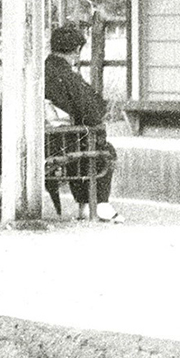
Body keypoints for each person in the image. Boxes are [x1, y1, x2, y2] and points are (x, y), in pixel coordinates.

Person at [46, 24, 121, 222]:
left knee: (79, 139)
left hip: (44, 134)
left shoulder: (43, 70)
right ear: (77, 50)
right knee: (102, 149)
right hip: (56, 140)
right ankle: (96, 204)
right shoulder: (66, 76)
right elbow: (93, 111)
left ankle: (84, 204)